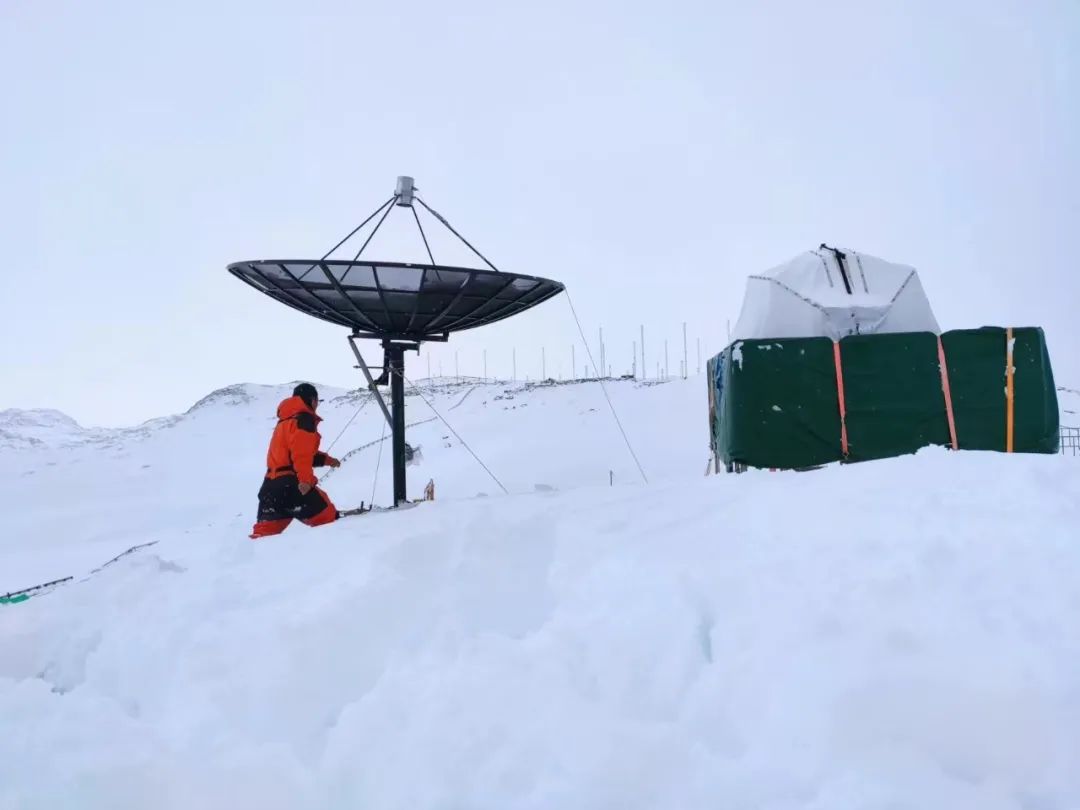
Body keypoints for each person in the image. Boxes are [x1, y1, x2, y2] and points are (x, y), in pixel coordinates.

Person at [250, 383, 342, 539]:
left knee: (263, 538)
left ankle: (249, 561)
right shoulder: (304, 420)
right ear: (313, 400)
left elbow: (295, 454)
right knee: (328, 518)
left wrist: (328, 460)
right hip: (292, 486)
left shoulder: (284, 422)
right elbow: (301, 455)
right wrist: (305, 480)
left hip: (270, 488)